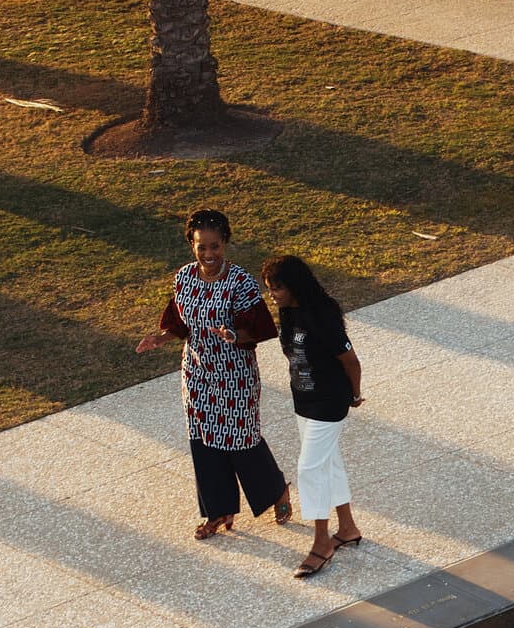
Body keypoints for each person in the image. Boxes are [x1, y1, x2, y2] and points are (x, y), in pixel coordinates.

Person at [136, 209, 291, 540]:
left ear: (225, 243)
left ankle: (276, 491)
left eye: (214, 247)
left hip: (235, 374)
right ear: (191, 245)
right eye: (201, 247)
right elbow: (179, 322)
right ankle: (218, 511)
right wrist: (160, 337)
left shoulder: (241, 283)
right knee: (204, 440)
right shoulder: (184, 278)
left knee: (241, 439)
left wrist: (234, 336)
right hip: (196, 373)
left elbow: (263, 329)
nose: (208, 254)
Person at [260, 254, 364, 578]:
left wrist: (355, 394)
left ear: (293, 285)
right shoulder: (289, 312)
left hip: (329, 402)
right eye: (270, 288)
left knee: (309, 469)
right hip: (303, 401)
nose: (272, 294)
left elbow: (351, 362)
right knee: (329, 462)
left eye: (276, 287)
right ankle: (347, 528)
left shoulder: (322, 315)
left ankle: (322, 542)